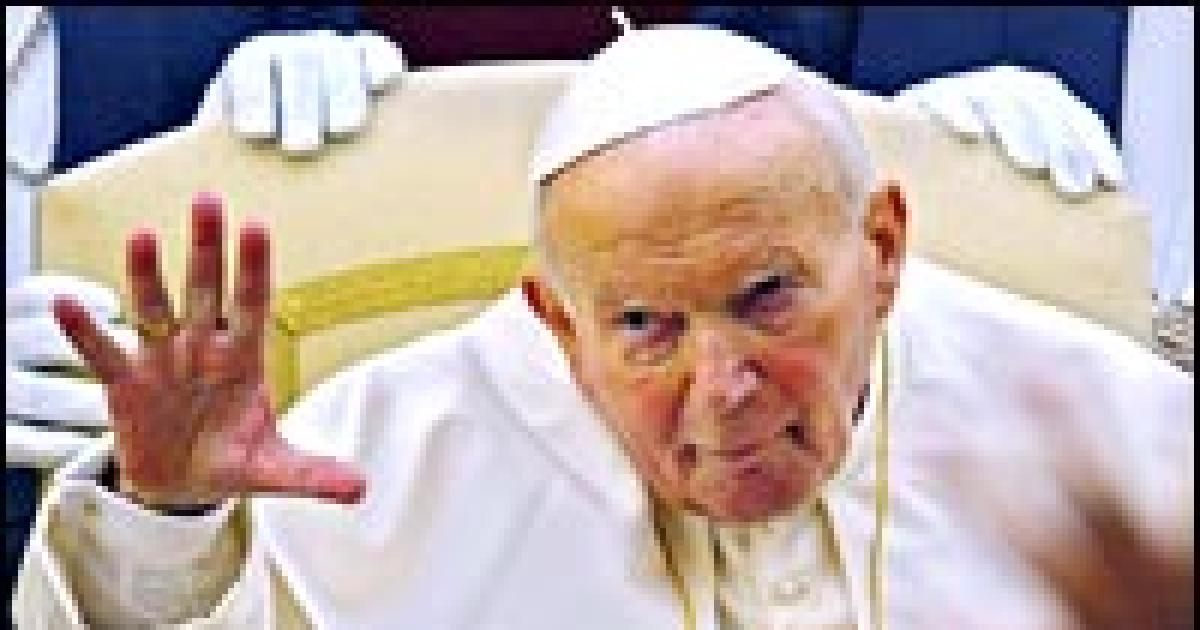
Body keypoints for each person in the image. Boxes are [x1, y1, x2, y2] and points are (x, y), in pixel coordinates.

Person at [14, 25, 1193, 629]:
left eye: (766, 297)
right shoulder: (384, 452)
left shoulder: (1120, 434)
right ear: (556, 321)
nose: (723, 385)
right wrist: (167, 521)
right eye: (644, 325)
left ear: (882, 251)